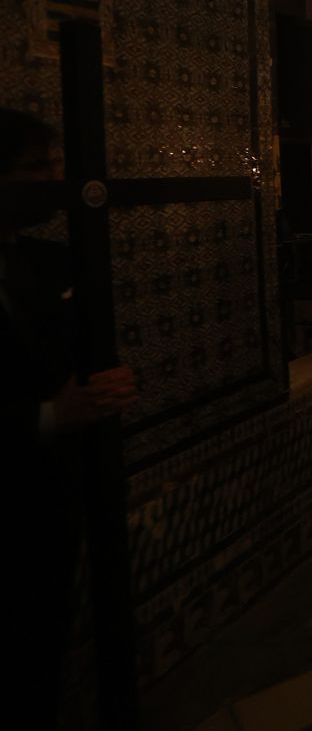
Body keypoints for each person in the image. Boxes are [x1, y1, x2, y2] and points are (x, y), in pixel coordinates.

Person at [3, 109, 138, 723]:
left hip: (52, 498)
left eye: (57, 167)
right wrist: (48, 416)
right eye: (37, 169)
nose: (54, 181)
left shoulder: (48, 259)